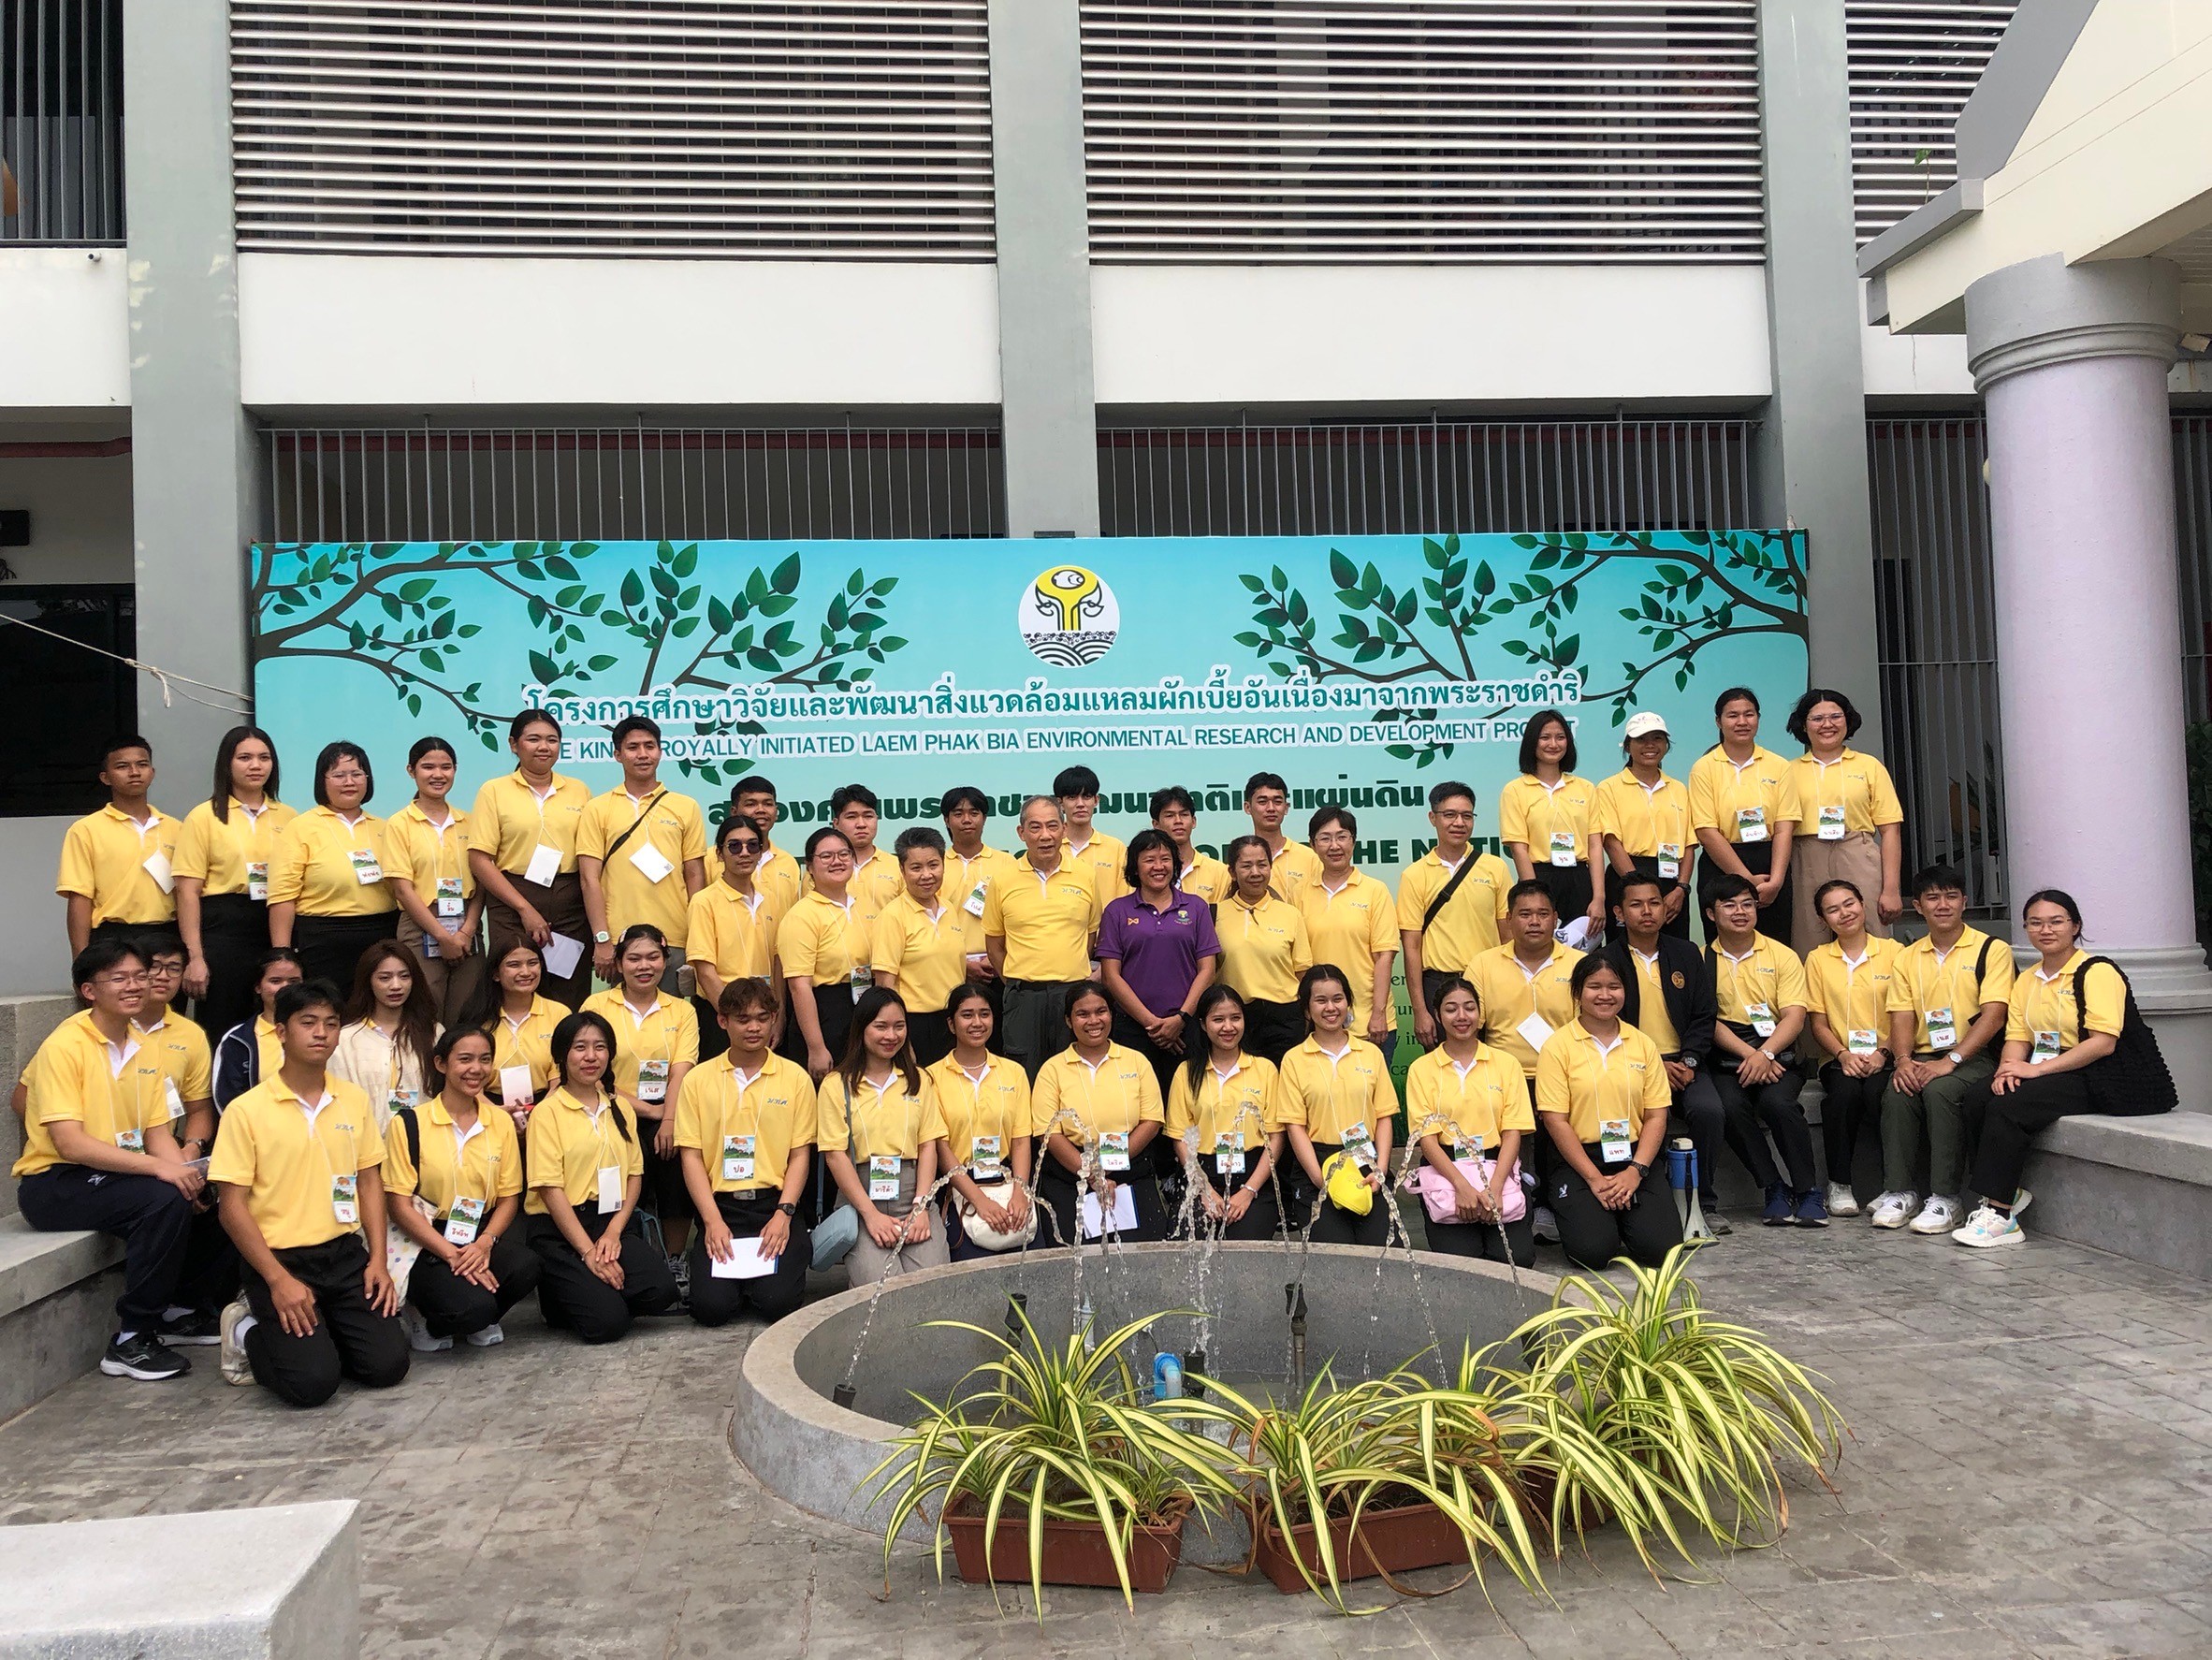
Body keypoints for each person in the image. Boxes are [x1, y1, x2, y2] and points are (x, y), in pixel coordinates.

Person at [210, 980, 409, 1406]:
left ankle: (323, 1333)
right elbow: (231, 1207)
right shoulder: (247, 1111)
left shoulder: (352, 1099)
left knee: (387, 1367)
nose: (321, 1033)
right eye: (308, 1022)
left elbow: (369, 1181)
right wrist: (277, 1280)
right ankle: (247, 1332)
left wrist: (378, 1259)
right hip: (280, 1260)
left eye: (331, 1024)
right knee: (312, 1385)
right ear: (281, 1031)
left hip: (343, 1253)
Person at [14, 939, 202, 1380]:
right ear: (89, 990)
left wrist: (184, 1172)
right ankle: (132, 1338)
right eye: (119, 978)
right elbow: (70, 1145)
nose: (134, 986)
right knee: (162, 1198)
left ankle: (185, 1310)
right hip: (55, 1181)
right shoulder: (64, 1046)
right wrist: (161, 1169)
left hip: (112, 1173)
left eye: (139, 976)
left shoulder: (143, 1045)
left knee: (208, 1190)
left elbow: (157, 1132)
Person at [1953, 890, 2176, 1248]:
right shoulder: (2027, 979)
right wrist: (2008, 1068)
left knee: (2009, 1106)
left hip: (2101, 1073)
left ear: (2075, 926)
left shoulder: (2097, 971)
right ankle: (2007, 1191)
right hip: (2050, 1068)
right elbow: (2018, 1036)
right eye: (2036, 923)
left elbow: (2103, 1043)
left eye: (2056, 921)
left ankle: (2001, 1216)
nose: (2046, 930)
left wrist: (2036, 1072)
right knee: (1979, 1095)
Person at [523, 1011, 680, 1340]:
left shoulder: (620, 1107)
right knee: (607, 1325)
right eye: (580, 1047)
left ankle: (593, 1293)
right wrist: (588, 1253)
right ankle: (566, 1294)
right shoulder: (547, 1113)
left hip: (609, 1221)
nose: (591, 1056)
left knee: (662, 1291)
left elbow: (634, 1175)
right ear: (562, 1055)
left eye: (600, 1047)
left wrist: (613, 1233)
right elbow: (550, 1190)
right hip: (562, 1229)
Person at [381, 1027, 537, 1351]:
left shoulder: (500, 1122)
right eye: (465, 1059)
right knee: (472, 1308)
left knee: (527, 1266)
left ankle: (478, 1314)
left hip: (478, 1233)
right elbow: (398, 1204)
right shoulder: (409, 1123)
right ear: (441, 1064)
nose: (476, 1069)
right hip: (426, 1238)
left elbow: (509, 1197)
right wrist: (451, 1254)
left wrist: (484, 1244)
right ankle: (428, 1320)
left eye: (484, 1059)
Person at [1877, 865, 2013, 1235]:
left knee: (1941, 1090)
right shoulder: (1907, 957)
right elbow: (1901, 1015)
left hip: (1974, 1055)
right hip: (1923, 1055)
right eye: (1933, 898)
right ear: (1918, 906)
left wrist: (1951, 1060)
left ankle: (1946, 1198)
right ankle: (1900, 1192)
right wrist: (1903, 1061)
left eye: (1951, 896)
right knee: (1899, 1089)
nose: (1943, 905)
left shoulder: (1991, 949)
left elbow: (1994, 1015)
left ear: (1964, 902)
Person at [674, 977, 816, 1324]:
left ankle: (758, 1281)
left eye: (762, 1018)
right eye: (743, 1019)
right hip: (722, 1208)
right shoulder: (698, 1079)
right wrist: (712, 1221)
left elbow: (800, 1155)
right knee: (711, 1309)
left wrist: (784, 1214)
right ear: (722, 1021)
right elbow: (691, 1156)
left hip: (774, 1205)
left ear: (774, 1019)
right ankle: (737, 1281)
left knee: (777, 1304)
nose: (754, 1028)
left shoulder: (795, 1078)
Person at [1535, 957, 1683, 1271]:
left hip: (1635, 1157)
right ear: (1578, 993)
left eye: (1614, 987)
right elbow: (1555, 1120)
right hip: (1579, 1161)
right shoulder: (1557, 1047)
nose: (1605, 995)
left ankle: (1624, 1215)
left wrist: (1636, 1171)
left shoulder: (1643, 1044)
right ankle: (1604, 1217)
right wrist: (1594, 1179)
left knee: (1662, 1252)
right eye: (1594, 987)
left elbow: (1657, 1116)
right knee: (1592, 1254)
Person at [1599, 874, 1725, 1232]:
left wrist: (1689, 1060)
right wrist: (1653, 1065)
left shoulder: (1686, 952)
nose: (1647, 911)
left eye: (1654, 903)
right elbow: (1606, 1023)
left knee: (1709, 1111)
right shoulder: (1606, 960)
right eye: (1636, 904)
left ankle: (1703, 1201)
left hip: (1684, 1062)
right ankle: (1645, 1199)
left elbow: (1704, 1014)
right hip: (1631, 1066)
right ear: (1619, 913)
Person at [1702, 873, 1824, 1227]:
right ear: (1711, 914)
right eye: (1729, 905)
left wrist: (1766, 1054)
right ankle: (1773, 1187)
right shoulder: (1701, 959)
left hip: (1779, 1053)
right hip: (1730, 1056)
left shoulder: (1782, 955)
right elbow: (1707, 1020)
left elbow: (1794, 1017)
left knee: (1778, 1104)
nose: (1740, 912)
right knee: (1728, 1107)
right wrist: (1750, 1055)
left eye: (1747, 904)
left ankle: (1808, 1191)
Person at [1467, 881, 1582, 1242]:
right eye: (1525, 914)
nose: (1534, 922)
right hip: (1502, 1074)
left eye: (1543, 914)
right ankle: (1513, 1202)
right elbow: (1471, 1027)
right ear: (1509, 919)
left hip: (1564, 1073)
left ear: (1556, 919)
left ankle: (1552, 1203)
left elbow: (1586, 1027)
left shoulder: (1578, 964)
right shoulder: (1484, 964)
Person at [582, 925, 700, 1272]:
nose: (644, 966)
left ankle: (675, 1259)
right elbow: (592, 1074)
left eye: (653, 957)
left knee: (676, 1158)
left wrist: (669, 1119)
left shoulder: (682, 1010)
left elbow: (681, 1070)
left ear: (665, 961)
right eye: (634, 958)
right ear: (619, 964)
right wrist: (651, 1111)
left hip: (669, 1106)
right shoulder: (597, 1005)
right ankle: (619, 1251)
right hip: (608, 1107)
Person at [132, 934, 233, 1333]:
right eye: (153, 967)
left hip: (167, 1146)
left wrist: (192, 1149)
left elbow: (199, 1109)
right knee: (172, 1197)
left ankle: (190, 1306)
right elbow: (25, 1099)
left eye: (174, 968)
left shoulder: (189, 1034)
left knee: (228, 1192)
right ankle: (151, 1318)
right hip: (112, 1149)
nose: (163, 976)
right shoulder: (105, 1026)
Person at [819, 988, 949, 1285]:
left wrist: (921, 1206)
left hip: (913, 1194)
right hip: (860, 1200)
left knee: (933, 1285)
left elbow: (928, 1145)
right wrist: (870, 1215)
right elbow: (835, 1155)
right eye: (881, 1026)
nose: (891, 1035)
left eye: (899, 1026)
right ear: (861, 1028)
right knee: (881, 1289)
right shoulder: (836, 1084)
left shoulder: (919, 1079)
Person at [466, 709, 593, 1009]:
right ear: (514, 745)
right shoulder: (494, 790)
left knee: (568, 990)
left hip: (569, 902)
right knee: (515, 984)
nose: (543, 747)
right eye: (533, 739)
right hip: (512, 900)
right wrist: (524, 908)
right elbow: (479, 859)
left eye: (552, 740)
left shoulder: (579, 790)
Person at [1405, 976, 1535, 1267]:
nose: (1461, 1016)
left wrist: (1496, 1187)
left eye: (1469, 1007)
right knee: (1461, 1264)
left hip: (1497, 1166)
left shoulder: (1506, 1064)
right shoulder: (1422, 1069)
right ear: (1437, 1015)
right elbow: (1427, 1139)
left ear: (1480, 1013)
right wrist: (1461, 1186)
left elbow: (1512, 1132)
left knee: (1516, 1260)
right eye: (1451, 1009)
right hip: (1447, 1170)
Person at [174, 726, 293, 1040]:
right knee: (223, 1026)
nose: (256, 765)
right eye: (245, 758)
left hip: (274, 925)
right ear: (226, 763)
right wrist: (195, 957)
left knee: (278, 1024)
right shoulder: (203, 816)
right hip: (223, 933)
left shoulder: (290, 817)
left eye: (264, 758)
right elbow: (187, 892)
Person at [1031, 982, 1167, 1245]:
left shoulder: (1136, 1061)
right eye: (1082, 1014)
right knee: (1074, 1255)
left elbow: (1151, 1121)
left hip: (1130, 1167)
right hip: (1072, 1173)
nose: (1093, 1021)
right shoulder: (1052, 1069)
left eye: (1101, 1011)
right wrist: (1093, 1175)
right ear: (1068, 1021)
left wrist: (1109, 1166)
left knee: (1146, 1254)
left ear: (1111, 1015)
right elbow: (1048, 1133)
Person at [577, 717, 707, 992]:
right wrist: (602, 938)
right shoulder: (597, 808)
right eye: (633, 747)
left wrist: (698, 938)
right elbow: (589, 879)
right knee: (621, 1015)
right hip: (620, 939)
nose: (643, 754)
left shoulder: (686, 806)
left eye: (650, 746)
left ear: (660, 752)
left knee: (674, 1013)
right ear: (617, 754)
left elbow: (695, 875)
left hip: (676, 936)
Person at [1274, 965, 1399, 1247]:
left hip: (1366, 1160)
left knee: (1383, 1252)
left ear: (1348, 1003)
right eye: (1321, 1000)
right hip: (1317, 1163)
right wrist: (1322, 1181)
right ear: (1307, 1010)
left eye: (1338, 999)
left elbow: (1384, 1117)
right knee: (1333, 1254)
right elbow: (1295, 1127)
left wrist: (1379, 1171)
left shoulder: (1371, 1053)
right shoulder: (1294, 1060)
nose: (1330, 1008)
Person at [1801, 881, 1904, 1219]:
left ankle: (1894, 1186)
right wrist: (1844, 1055)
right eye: (1833, 909)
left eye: (1849, 904)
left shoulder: (1894, 952)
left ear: (1863, 904)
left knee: (1880, 1094)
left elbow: (1905, 1014)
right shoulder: (1818, 959)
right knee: (1843, 1096)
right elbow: (1818, 1023)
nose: (1844, 913)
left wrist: (1883, 1053)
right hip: (1837, 1058)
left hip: (1887, 1055)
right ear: (1823, 920)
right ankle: (1839, 1185)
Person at [984, 796, 1103, 1079]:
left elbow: (1090, 936)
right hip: (1023, 998)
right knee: (1024, 1075)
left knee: (1073, 1075)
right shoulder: (1002, 879)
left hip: (1072, 995)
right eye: (1035, 827)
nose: (1045, 835)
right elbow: (995, 946)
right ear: (1021, 832)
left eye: (1052, 826)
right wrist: (1018, 983)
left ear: (1064, 829)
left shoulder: (1085, 875)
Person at [1097, 828, 1221, 1094]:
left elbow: (1207, 969)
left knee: (1187, 1103)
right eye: (1149, 860)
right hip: (1133, 1029)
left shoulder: (1196, 907)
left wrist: (1180, 1019)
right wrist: (1153, 1025)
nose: (1158, 866)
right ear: (1135, 866)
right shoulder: (1116, 911)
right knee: (1136, 1103)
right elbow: (1110, 976)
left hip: (1186, 1028)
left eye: (1165, 859)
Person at [268, 741, 398, 993]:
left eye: (357, 774)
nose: (349, 782)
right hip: (322, 940)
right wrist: (283, 956)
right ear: (322, 781)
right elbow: (282, 896)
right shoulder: (300, 827)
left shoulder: (386, 827)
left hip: (381, 936)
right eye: (339, 775)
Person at [1397, 780, 1514, 1046]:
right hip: (1437, 984)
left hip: (1487, 983)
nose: (1459, 823)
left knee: (1491, 1062)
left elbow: (1507, 937)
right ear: (1433, 818)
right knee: (1440, 1065)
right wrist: (1420, 1011)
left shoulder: (1495, 868)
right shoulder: (1415, 875)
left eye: (1467, 816)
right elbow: (1411, 947)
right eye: (1450, 815)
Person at [1785, 690, 1905, 946]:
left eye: (1835, 717)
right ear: (1803, 725)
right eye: (1817, 719)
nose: (1827, 724)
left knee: (1871, 930)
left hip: (1857, 851)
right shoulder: (1788, 770)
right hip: (1806, 855)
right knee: (1808, 936)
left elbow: (1890, 831)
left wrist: (1891, 889)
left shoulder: (1869, 766)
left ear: (1847, 720)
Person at [1164, 984, 1281, 1242]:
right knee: (1188, 1252)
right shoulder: (1186, 1072)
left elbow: (1275, 1138)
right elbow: (1180, 1138)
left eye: (1235, 1018)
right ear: (1203, 1025)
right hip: (1200, 1175)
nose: (1228, 1027)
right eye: (1218, 1019)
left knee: (1244, 1252)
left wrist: (1249, 1191)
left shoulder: (1265, 1070)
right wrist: (1204, 1190)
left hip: (1254, 1176)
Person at [927, 983, 1034, 1260]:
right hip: (959, 1186)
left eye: (984, 1014)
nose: (977, 1023)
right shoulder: (931, 1077)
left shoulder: (1014, 1072)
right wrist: (980, 1201)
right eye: (967, 1015)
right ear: (951, 1024)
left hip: (1008, 1182)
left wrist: (1021, 1193)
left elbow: (1021, 1140)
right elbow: (940, 1148)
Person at [384, 735, 485, 1025]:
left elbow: (482, 882)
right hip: (420, 927)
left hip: (467, 928)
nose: (438, 775)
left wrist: (466, 931)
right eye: (428, 767)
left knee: (468, 1014)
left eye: (446, 767)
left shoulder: (470, 822)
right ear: (411, 771)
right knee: (424, 1014)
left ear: (455, 770)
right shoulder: (399, 824)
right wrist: (442, 936)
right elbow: (402, 890)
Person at [1690, 688, 1800, 946]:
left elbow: (1785, 827)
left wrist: (1776, 881)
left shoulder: (1779, 765)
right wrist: (1747, 882)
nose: (1742, 722)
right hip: (1722, 864)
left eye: (1749, 714)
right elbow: (1706, 831)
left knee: (1775, 943)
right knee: (1723, 945)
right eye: (1732, 716)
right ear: (1718, 722)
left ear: (1758, 718)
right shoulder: (1704, 768)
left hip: (1771, 863)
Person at [57, 735, 180, 957]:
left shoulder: (177, 828)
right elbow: (80, 899)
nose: (134, 772)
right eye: (122, 766)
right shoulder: (86, 830)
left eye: (142, 764)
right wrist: (81, 959)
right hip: (112, 936)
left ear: (152, 772)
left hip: (167, 934)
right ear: (105, 778)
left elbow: (187, 892)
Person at [1298, 806, 1398, 1051]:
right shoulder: (1299, 893)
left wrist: (1378, 1013)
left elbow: (1384, 956)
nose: (1334, 846)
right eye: (1325, 838)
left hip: (1369, 1024)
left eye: (1342, 837)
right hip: (1319, 1023)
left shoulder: (1375, 890)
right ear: (1313, 845)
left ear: (1353, 841)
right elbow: (1298, 961)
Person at [1499, 710, 1606, 938]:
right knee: (1539, 946)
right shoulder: (1515, 790)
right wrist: (1534, 897)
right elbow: (1519, 849)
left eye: (1560, 737)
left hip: (1579, 878)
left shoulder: (1585, 788)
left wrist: (1599, 897)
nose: (1553, 744)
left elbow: (1595, 845)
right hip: (1539, 876)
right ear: (1532, 741)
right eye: (1545, 737)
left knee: (1583, 952)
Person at [687, 813, 784, 1060]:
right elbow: (705, 971)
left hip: (764, 1017)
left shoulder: (772, 898)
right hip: (721, 1016)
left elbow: (778, 962)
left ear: (760, 852)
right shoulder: (704, 901)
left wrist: (776, 1018)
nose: (744, 853)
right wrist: (736, 1020)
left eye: (752, 845)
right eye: (734, 846)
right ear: (720, 854)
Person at [1594, 713, 1697, 941]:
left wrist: (1681, 888)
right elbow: (1611, 843)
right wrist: (1638, 890)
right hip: (1627, 877)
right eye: (1641, 739)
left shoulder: (1678, 788)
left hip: (1672, 883)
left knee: (1674, 950)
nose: (1650, 745)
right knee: (1625, 951)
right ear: (1627, 746)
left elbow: (1689, 845)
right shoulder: (1608, 787)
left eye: (1657, 738)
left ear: (1666, 745)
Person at [871, 826, 969, 1066]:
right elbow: (884, 985)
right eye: (916, 868)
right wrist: (902, 1040)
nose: (926, 875)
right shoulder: (892, 916)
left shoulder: (948, 909)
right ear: (902, 870)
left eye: (933, 865)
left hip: (952, 1021)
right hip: (914, 1024)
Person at [778, 826, 870, 1080]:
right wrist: (816, 1047)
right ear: (809, 866)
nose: (837, 861)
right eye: (826, 856)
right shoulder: (801, 916)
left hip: (862, 1011)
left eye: (844, 854)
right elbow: (799, 987)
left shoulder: (864, 907)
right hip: (824, 1015)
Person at [1215, 834, 1312, 1065]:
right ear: (1232, 872)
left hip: (1284, 1019)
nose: (1255, 872)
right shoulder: (1214, 914)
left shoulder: (1290, 914)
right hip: (1235, 1019)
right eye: (1246, 866)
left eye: (1262, 865)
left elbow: (1302, 972)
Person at [330, 940, 440, 1132]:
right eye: (385, 978)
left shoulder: (434, 1033)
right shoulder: (345, 1039)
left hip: (423, 1141)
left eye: (404, 976)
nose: (396, 985)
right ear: (368, 981)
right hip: (365, 1142)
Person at [939, 784, 1015, 1040]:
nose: (967, 819)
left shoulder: (1007, 863)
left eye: (974, 813)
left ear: (984, 818)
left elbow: (1016, 918)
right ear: (946, 820)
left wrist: (997, 958)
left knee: (999, 1040)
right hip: (949, 968)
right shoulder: (936, 865)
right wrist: (962, 963)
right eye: (958, 813)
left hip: (998, 968)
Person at [464, 939, 564, 1129]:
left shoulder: (559, 1013)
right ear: (495, 974)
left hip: (547, 1110)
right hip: (487, 1110)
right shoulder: (477, 1018)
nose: (526, 972)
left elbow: (561, 1078)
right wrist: (496, 1113)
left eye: (532, 963)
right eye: (514, 965)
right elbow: (468, 1078)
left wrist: (538, 1116)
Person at [213, 948, 302, 1113]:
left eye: (293, 981)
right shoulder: (236, 1040)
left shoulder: (323, 1033)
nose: (285, 988)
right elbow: (228, 1101)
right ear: (258, 987)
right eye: (275, 981)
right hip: (254, 1127)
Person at [1052, 765, 1128, 904]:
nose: (1080, 804)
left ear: (1096, 800)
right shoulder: (1050, 847)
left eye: (1086, 797)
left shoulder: (1116, 848)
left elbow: (1125, 902)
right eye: (1072, 797)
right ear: (1060, 803)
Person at [729, 775, 804, 917]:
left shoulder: (788, 863)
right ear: (734, 812)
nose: (760, 810)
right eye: (751, 804)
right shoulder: (712, 859)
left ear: (776, 812)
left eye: (768, 804)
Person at [831, 784, 905, 924]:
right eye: (851, 817)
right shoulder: (823, 868)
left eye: (868, 816)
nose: (861, 824)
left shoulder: (899, 867)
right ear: (836, 823)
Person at [1244, 771, 1321, 900]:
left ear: (1286, 808)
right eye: (1262, 802)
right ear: (1247, 807)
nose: (1271, 808)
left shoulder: (1311, 859)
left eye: (1277, 802)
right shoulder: (1241, 858)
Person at [1150, 786, 1230, 903]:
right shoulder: (1147, 872)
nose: (1178, 821)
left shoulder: (1219, 872)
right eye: (1170, 816)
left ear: (1193, 821)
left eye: (1184, 814)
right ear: (1156, 824)